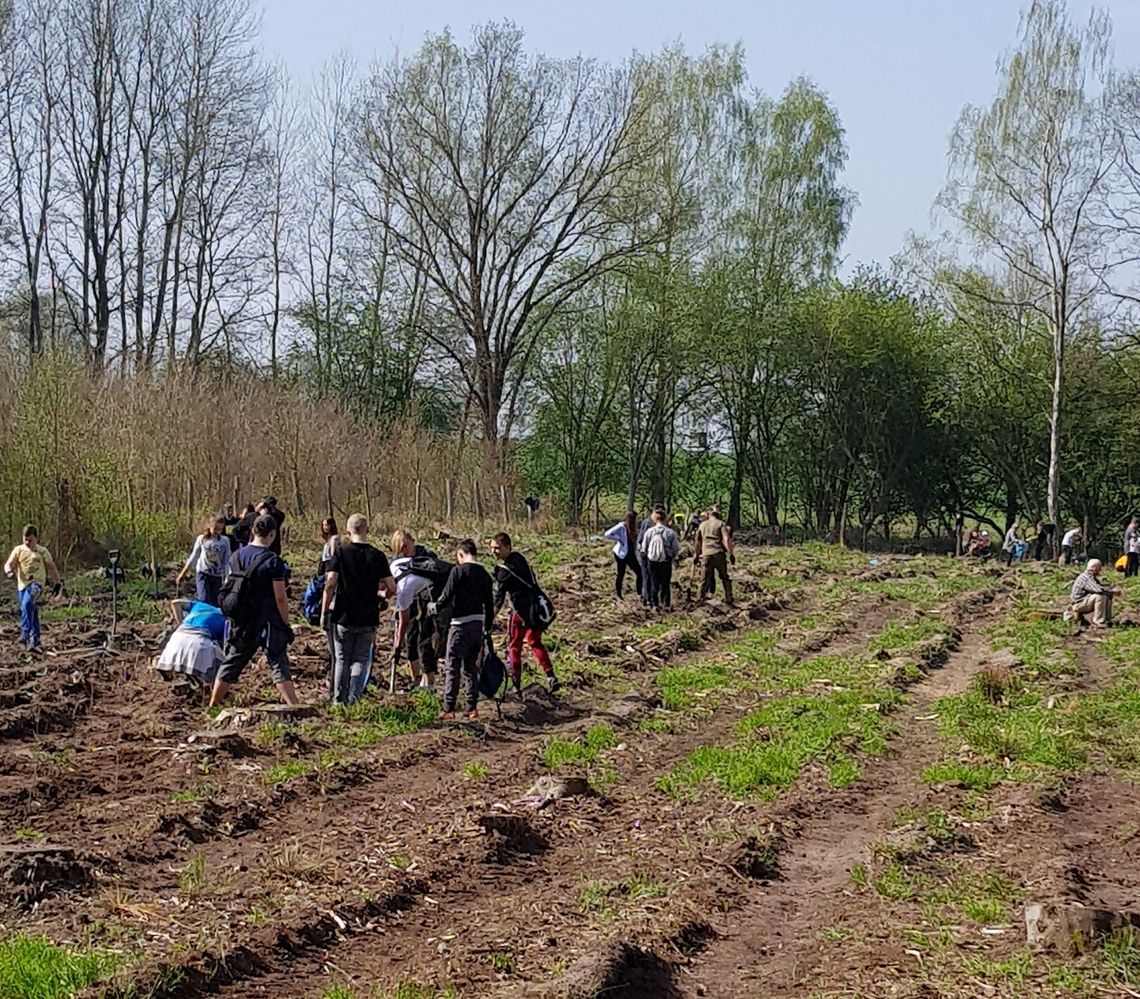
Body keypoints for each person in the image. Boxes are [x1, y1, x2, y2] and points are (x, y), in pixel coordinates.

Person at [209, 514, 299, 708]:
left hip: (241, 618)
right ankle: (294, 705)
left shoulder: (237, 556)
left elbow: (228, 584)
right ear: (272, 534)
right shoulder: (273, 562)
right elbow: (280, 597)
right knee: (278, 660)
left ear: (252, 532)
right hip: (267, 619)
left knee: (234, 659)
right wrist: (285, 623)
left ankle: (213, 703)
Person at [321, 514, 393, 706]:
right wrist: (382, 595)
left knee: (341, 659)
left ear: (348, 531)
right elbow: (391, 587)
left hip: (343, 615)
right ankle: (354, 699)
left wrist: (324, 610)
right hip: (368, 616)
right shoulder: (377, 556)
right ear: (367, 530)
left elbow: (330, 584)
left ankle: (338, 701)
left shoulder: (341, 553)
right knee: (361, 659)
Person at [430, 539, 494, 720]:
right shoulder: (485, 575)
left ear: (460, 554)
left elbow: (446, 596)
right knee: (471, 667)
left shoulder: (458, 571)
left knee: (452, 666)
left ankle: (448, 708)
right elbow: (489, 605)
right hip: (477, 625)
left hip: (459, 625)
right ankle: (471, 708)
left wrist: (434, 607)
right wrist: (487, 628)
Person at [491, 532, 559, 696]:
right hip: (536, 609)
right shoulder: (520, 559)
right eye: (492, 548)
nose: (494, 552)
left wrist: (490, 618)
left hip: (520, 613)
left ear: (508, 547)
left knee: (514, 646)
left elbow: (499, 599)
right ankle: (551, 676)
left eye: (498, 548)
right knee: (535, 642)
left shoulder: (504, 572)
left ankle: (515, 686)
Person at [390, 529, 441, 691]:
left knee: (425, 640)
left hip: (428, 601)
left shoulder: (427, 555)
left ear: (412, 541)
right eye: (400, 549)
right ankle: (416, 680)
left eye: (405, 546)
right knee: (410, 640)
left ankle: (429, 682)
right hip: (410, 601)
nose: (404, 551)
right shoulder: (398, 562)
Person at [4, 525, 62, 654]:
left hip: (36, 584)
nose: (27, 543)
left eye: (30, 540)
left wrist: (57, 583)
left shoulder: (42, 551)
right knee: (32, 611)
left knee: (27, 603)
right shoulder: (18, 550)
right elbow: (8, 564)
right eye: (25, 539)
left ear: (36, 538)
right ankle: (34, 641)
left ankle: (25, 632)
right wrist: (9, 572)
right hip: (22, 585)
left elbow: (52, 567)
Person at [155, 599, 225, 688]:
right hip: (200, 642)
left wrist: (180, 623)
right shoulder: (225, 619)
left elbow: (175, 603)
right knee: (220, 670)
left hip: (177, 637)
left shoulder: (199, 605)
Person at [175, 515, 231, 606]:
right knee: (204, 599)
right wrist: (183, 573)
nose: (217, 532)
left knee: (215, 603)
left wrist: (227, 576)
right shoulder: (202, 539)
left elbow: (226, 560)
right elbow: (194, 556)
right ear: (209, 526)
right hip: (203, 573)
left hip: (217, 575)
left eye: (220, 529)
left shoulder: (225, 541)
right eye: (215, 529)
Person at [641, 507, 680, 609]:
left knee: (654, 582)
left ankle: (655, 604)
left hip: (652, 561)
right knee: (665, 583)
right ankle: (666, 603)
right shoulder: (670, 532)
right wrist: (671, 556)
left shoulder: (649, 532)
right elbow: (676, 548)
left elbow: (644, 547)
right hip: (665, 560)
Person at [1066, 559, 1121, 629]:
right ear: (1095, 569)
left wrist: (1110, 591)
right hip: (1078, 604)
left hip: (1084, 601)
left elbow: (1100, 587)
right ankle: (1098, 621)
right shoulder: (1086, 577)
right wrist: (1113, 592)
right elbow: (1098, 590)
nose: (1100, 571)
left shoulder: (1092, 578)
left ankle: (1107, 619)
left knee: (1108, 595)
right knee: (1100, 596)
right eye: (1099, 569)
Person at [695, 507, 734, 605]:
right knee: (724, 576)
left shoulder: (702, 525)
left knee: (704, 578)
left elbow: (698, 542)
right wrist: (731, 553)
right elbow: (725, 539)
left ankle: (700, 599)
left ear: (709, 515)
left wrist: (696, 555)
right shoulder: (720, 524)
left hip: (706, 553)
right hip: (718, 553)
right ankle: (728, 597)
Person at [604, 512, 642, 603]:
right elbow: (607, 534)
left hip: (631, 553)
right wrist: (618, 538)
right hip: (621, 553)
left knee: (640, 573)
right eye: (631, 519)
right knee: (621, 573)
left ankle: (639, 593)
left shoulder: (634, 529)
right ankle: (618, 594)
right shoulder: (622, 526)